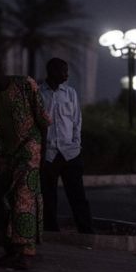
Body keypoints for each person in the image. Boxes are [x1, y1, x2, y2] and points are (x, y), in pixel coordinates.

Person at [0, 55, 50, 270]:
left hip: (28, 152)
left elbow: (43, 121)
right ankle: (13, 251)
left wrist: (41, 155)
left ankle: (23, 254)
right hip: (1, 157)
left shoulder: (26, 85)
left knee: (22, 200)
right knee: (6, 203)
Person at [39, 58, 94, 234]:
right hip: (48, 154)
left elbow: (77, 121)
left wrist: (76, 145)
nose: (66, 74)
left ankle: (86, 231)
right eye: (63, 71)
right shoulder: (38, 94)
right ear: (52, 71)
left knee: (78, 196)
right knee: (48, 196)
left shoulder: (70, 93)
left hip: (70, 154)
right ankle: (50, 231)